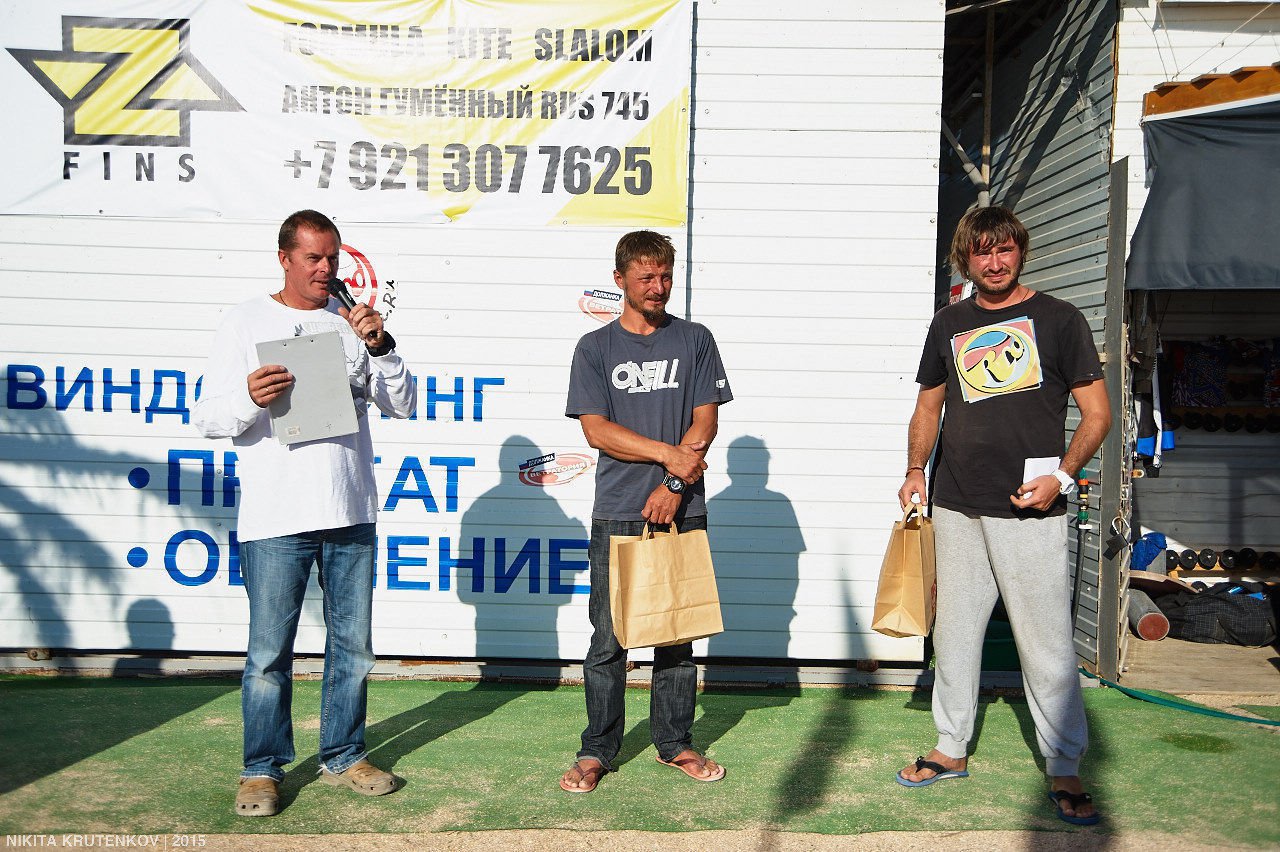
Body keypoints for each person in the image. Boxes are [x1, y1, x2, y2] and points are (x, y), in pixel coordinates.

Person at [193, 210, 416, 817]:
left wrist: (382, 347)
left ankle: (344, 755)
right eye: (313, 257)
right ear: (285, 259)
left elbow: (402, 403)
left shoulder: (353, 323)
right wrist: (249, 396)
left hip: (350, 509)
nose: (325, 269)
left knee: (354, 649)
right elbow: (208, 416)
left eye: (333, 258)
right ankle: (261, 770)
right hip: (276, 516)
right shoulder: (245, 320)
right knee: (269, 654)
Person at [895, 206, 1110, 826]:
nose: (994, 263)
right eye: (982, 252)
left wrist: (1061, 478)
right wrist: (915, 470)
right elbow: (928, 407)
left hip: (1030, 507)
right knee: (955, 634)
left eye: (1004, 249)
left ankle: (1064, 765)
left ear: (1021, 251)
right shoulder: (949, 323)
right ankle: (950, 747)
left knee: (1045, 641)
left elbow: (1097, 414)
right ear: (966, 259)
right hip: (956, 502)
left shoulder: (1060, 320)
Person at [560, 230, 733, 793]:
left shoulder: (695, 339)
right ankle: (597, 750)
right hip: (617, 509)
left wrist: (675, 484)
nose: (657, 287)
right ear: (620, 281)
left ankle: (675, 743)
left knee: (676, 635)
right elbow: (597, 431)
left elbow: (705, 421)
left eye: (665, 276)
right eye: (645, 278)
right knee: (608, 640)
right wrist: (668, 457)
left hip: (683, 506)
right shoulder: (594, 348)